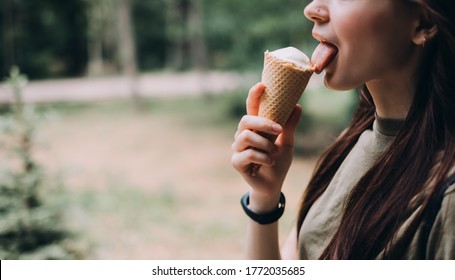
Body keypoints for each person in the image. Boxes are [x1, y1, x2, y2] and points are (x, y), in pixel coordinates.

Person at [231, 0, 455, 259]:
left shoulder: (447, 197)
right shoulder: (347, 145)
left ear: (423, 23)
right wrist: (264, 198)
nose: (312, 9)